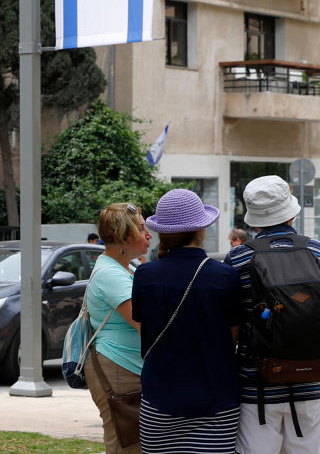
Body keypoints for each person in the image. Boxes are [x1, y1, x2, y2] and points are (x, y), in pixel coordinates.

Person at [133, 189, 241, 454]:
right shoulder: (224, 276)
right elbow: (233, 337)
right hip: (217, 403)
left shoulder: (145, 275)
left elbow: (143, 330)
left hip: (160, 399)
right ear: (201, 230)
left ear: (162, 233)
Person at [225, 175, 320, 454]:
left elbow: (233, 318)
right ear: (290, 214)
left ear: (254, 220)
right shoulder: (316, 251)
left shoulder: (238, 258)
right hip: (311, 381)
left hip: (257, 385)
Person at [86, 202, 152, 454]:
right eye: (142, 229)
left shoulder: (127, 268)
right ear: (123, 236)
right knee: (126, 446)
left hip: (127, 366)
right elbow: (144, 323)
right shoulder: (110, 274)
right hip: (118, 368)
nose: (148, 235)